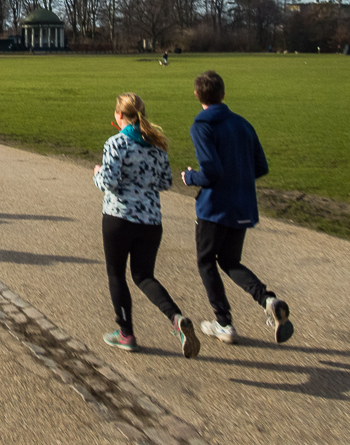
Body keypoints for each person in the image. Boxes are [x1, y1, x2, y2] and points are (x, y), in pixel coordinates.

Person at [181, 70, 293, 344]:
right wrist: (237, 179)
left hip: (214, 207)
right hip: (242, 205)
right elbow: (261, 167)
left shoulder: (202, 126)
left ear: (197, 95)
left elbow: (211, 172)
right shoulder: (242, 124)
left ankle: (223, 323)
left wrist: (190, 177)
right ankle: (268, 300)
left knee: (206, 261)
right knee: (230, 261)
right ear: (223, 94)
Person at [94, 94, 199, 358]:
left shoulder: (116, 142)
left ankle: (126, 334)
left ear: (119, 115)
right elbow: (165, 182)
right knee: (144, 275)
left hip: (119, 217)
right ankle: (176, 318)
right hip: (151, 220)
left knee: (116, 274)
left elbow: (108, 182)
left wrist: (96, 173)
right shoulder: (157, 144)